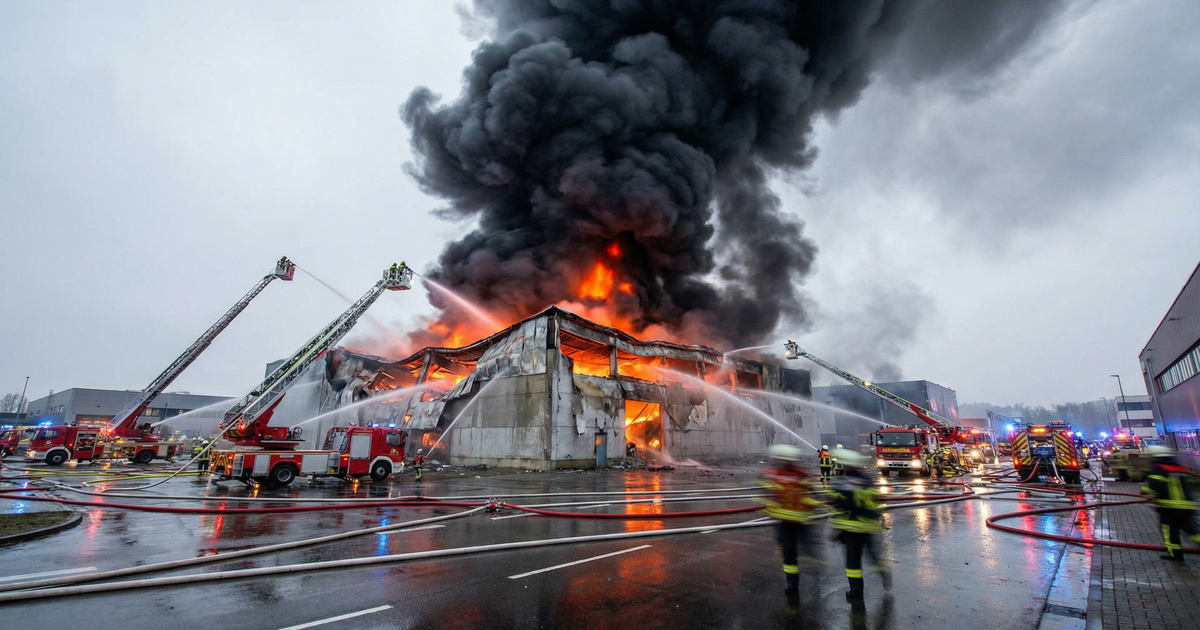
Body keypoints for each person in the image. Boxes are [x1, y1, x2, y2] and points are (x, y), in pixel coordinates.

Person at [757, 444, 823, 593]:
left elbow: (809, 496)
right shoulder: (793, 474)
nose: (775, 461)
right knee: (789, 553)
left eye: (777, 459)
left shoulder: (795, 474)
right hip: (787, 522)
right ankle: (792, 582)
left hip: (798, 522)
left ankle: (813, 573)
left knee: (802, 550)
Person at [828, 448, 891, 599]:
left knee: (853, 562)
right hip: (868, 527)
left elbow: (837, 507)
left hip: (850, 530)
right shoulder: (867, 480)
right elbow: (876, 500)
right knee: (874, 556)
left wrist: (835, 530)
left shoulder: (841, 483)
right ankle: (884, 573)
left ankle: (856, 590)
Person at [1142, 445, 1200, 562]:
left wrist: (1145, 492)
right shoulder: (1179, 468)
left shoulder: (1159, 468)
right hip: (1187, 506)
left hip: (1169, 507)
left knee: (1170, 532)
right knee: (1192, 530)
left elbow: (1155, 485)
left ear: (1156, 457)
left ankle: (1175, 555)